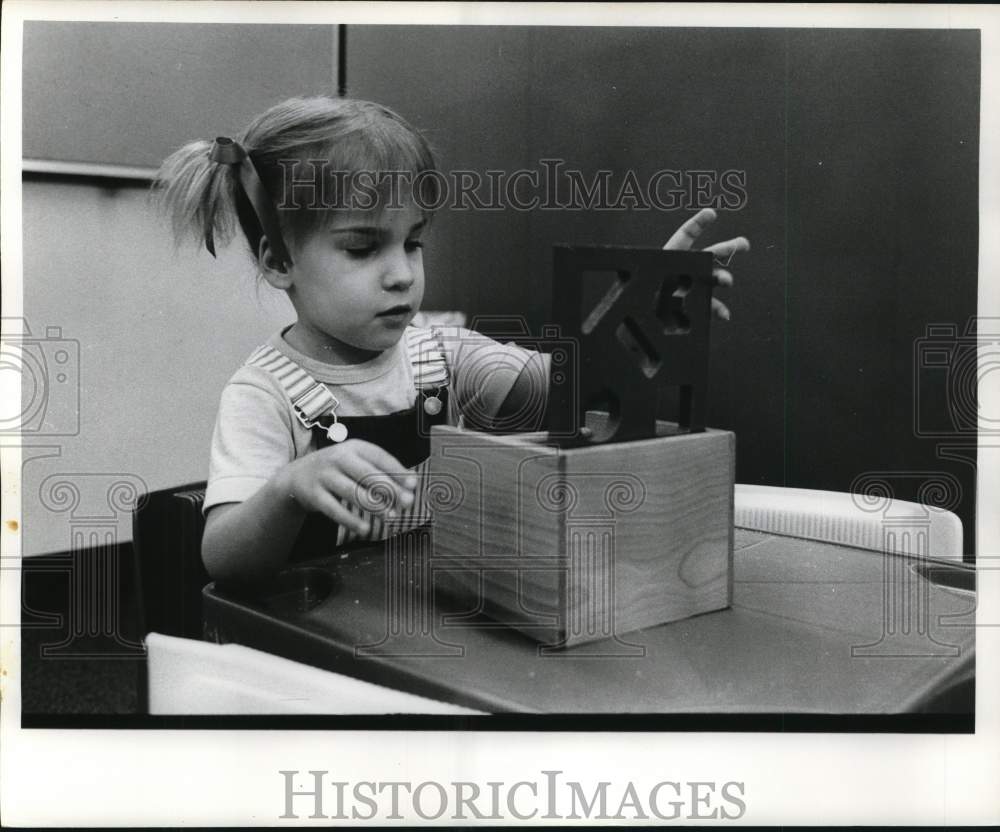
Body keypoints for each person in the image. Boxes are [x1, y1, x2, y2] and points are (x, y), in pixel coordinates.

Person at [155, 95, 748, 583]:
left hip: (425, 611)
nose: (401, 272)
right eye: (363, 248)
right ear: (278, 261)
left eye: (412, 242)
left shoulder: (439, 353)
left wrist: (637, 324)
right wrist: (289, 488)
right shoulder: (263, 393)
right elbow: (224, 560)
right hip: (311, 636)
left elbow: (571, 386)